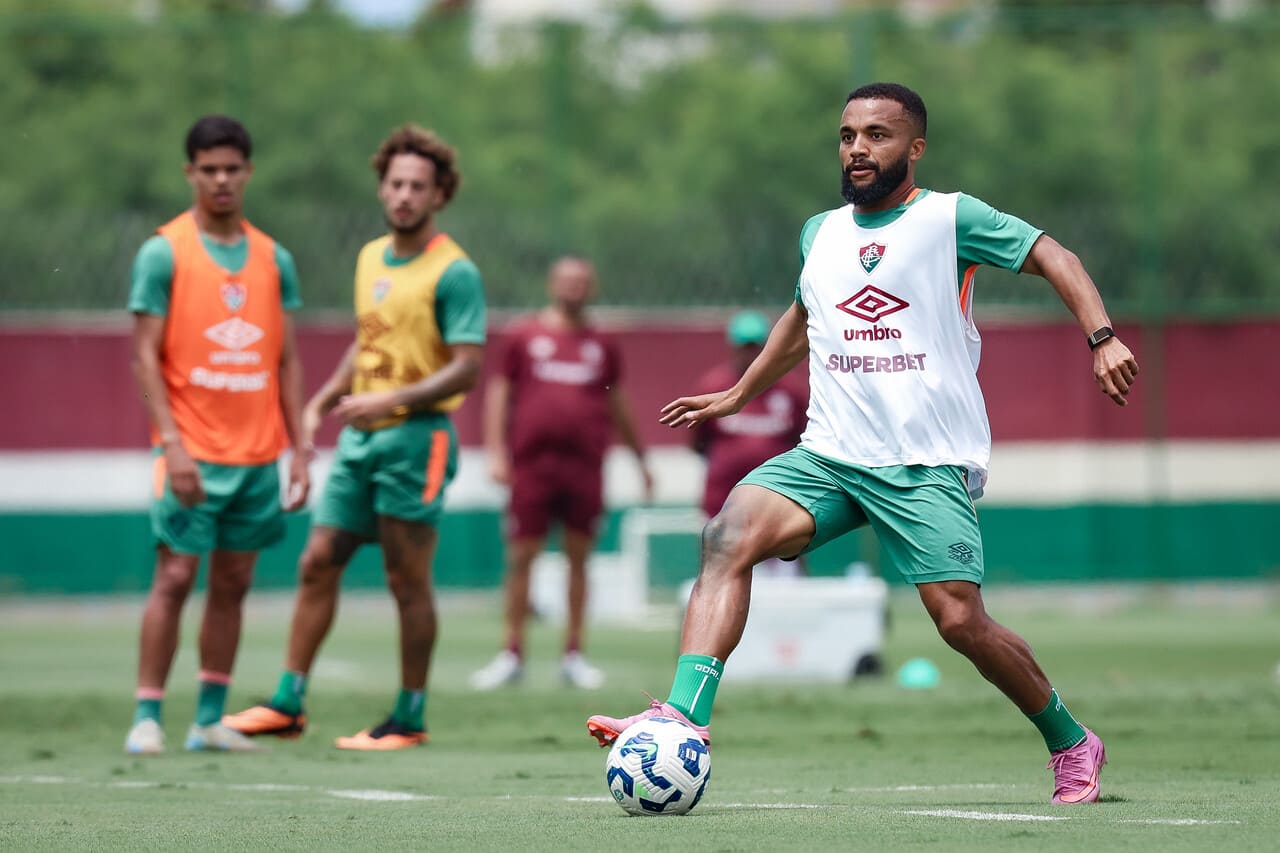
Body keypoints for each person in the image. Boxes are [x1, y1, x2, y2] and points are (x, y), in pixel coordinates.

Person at [586, 83, 1140, 806]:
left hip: (924, 459)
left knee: (960, 622)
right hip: (832, 453)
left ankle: (1072, 739)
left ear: (914, 148)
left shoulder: (950, 219)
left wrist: (1101, 336)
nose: (857, 148)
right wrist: (740, 393)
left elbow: (1055, 255)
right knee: (726, 535)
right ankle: (684, 716)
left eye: (878, 135)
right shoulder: (820, 232)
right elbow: (801, 316)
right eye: (848, 134)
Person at [222, 124, 486, 750]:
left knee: (406, 580)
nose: (403, 195)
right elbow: (370, 339)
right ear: (381, 187)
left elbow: (468, 364)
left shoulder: (454, 272)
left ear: (439, 195)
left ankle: (409, 716)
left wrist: (389, 399)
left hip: (417, 440)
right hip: (361, 440)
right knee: (317, 560)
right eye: (394, 183)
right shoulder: (371, 256)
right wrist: (319, 401)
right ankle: (287, 703)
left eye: (418, 186)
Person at [124, 115, 311, 755]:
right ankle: (147, 715)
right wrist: (171, 444)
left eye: (233, 168)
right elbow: (144, 356)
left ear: (248, 172)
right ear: (191, 173)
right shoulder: (163, 251)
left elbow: (286, 358)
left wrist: (299, 447)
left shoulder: (273, 258)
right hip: (190, 453)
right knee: (175, 576)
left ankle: (207, 720)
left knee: (232, 583)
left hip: (258, 454)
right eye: (210, 169)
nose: (222, 179)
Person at [469, 257, 654, 691]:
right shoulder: (524, 336)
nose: (574, 289)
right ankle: (511, 652)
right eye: (567, 281)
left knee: (579, 559)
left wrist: (639, 458)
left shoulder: (601, 343)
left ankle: (574, 654)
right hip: (532, 465)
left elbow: (617, 400)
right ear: (552, 284)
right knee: (521, 557)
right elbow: (499, 393)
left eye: (582, 282)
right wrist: (496, 451)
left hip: (584, 466)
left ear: (592, 288)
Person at [691, 310, 807, 577]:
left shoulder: (790, 389)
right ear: (734, 347)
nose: (750, 353)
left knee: (785, 572)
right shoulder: (714, 386)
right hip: (722, 498)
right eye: (745, 346)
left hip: (779, 500)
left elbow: (802, 437)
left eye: (756, 346)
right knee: (722, 569)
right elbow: (698, 441)